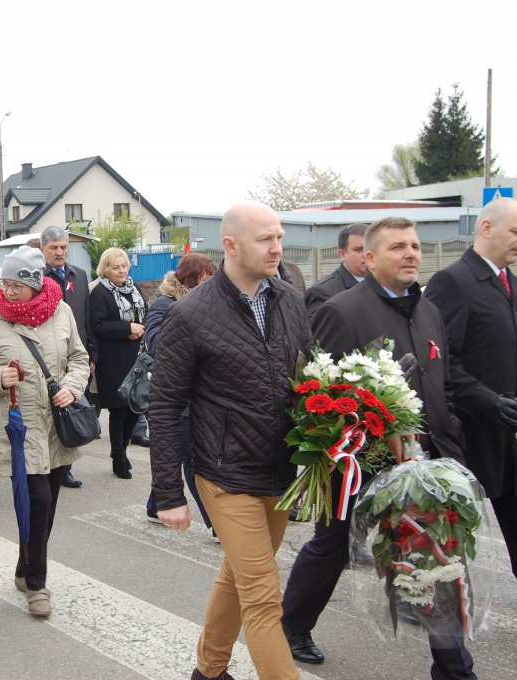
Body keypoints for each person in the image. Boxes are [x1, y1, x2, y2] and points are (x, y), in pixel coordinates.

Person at [281, 216, 474, 679]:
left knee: (434, 554)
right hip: (362, 461)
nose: (411, 254)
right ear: (368, 258)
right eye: (398, 247)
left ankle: (454, 668)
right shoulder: (342, 310)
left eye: (415, 246)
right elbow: (320, 394)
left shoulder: (427, 309)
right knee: (333, 546)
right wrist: (376, 437)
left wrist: (450, 450)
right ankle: (290, 625)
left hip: (425, 465)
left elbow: (440, 384)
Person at [149, 202, 312, 680]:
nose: (277, 248)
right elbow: (163, 405)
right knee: (263, 595)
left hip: (278, 472)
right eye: (266, 239)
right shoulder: (191, 313)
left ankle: (209, 670)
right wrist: (168, 493)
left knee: (238, 576)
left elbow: (310, 378)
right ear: (230, 245)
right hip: (224, 474)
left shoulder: (289, 299)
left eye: (279, 237)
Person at [425, 197, 517, 650]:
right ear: (486, 227)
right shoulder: (453, 282)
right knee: (453, 542)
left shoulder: (512, 284)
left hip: (515, 433)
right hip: (472, 435)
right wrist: (486, 401)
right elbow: (440, 358)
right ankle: (448, 642)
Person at [0, 245, 89, 618]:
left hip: (57, 426)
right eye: (4, 282)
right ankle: (37, 584)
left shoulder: (62, 311)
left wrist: (73, 385)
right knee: (39, 502)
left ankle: (24, 563)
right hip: (20, 428)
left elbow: (80, 359)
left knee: (46, 506)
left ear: (35, 283)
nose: (8, 290)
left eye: (16, 283)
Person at [143, 254, 216, 530]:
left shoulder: (207, 304)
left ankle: (154, 505)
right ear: (191, 278)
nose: (211, 284)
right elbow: (154, 343)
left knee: (183, 453)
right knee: (191, 459)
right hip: (174, 394)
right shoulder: (165, 304)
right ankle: (216, 524)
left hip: (201, 394)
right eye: (207, 278)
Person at [40, 226, 95, 489]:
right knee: (53, 412)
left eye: (63, 247)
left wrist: (91, 352)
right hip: (48, 356)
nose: (59, 252)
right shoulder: (36, 277)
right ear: (43, 250)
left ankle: (66, 467)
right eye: (53, 247)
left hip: (75, 355)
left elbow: (87, 317)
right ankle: (51, 465)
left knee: (71, 408)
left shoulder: (80, 275)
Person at [90, 247, 146, 479]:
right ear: (106, 270)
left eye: (124, 266)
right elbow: (98, 325)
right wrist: (127, 329)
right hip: (112, 359)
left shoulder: (135, 288)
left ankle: (122, 449)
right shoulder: (100, 293)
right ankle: (119, 458)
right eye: (116, 267)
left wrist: (139, 330)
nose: (122, 271)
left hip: (136, 355)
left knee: (137, 406)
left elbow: (147, 314)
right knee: (119, 410)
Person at [303, 223, 368, 322]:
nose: (366, 255)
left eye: (370, 249)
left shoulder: (384, 285)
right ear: (342, 255)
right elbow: (318, 334)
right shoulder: (322, 292)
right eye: (358, 250)